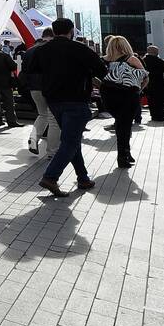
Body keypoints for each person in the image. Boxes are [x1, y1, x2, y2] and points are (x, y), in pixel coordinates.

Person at [37, 17, 109, 196]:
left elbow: (31, 71)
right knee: (70, 141)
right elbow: (102, 70)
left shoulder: (42, 50)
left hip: (54, 100)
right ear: (71, 31)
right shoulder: (80, 48)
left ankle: (83, 177)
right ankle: (50, 177)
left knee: (72, 139)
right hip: (76, 99)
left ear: (53, 31)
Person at [98, 36, 147, 169]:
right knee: (124, 125)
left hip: (108, 96)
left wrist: (103, 87)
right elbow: (145, 77)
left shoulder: (103, 60)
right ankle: (123, 156)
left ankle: (126, 152)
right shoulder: (132, 59)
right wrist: (138, 89)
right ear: (126, 46)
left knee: (121, 123)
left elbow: (95, 77)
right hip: (128, 95)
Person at [20, 28, 60, 155]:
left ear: (42, 36)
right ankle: (52, 152)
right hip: (50, 87)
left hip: (33, 88)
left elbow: (24, 71)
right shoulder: (52, 49)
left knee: (42, 115)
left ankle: (34, 138)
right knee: (53, 119)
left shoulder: (29, 51)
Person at [142, 44, 164, 123]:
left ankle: (154, 116)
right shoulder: (159, 61)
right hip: (159, 83)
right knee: (161, 100)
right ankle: (161, 116)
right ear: (155, 52)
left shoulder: (143, 60)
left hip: (148, 83)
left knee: (151, 100)